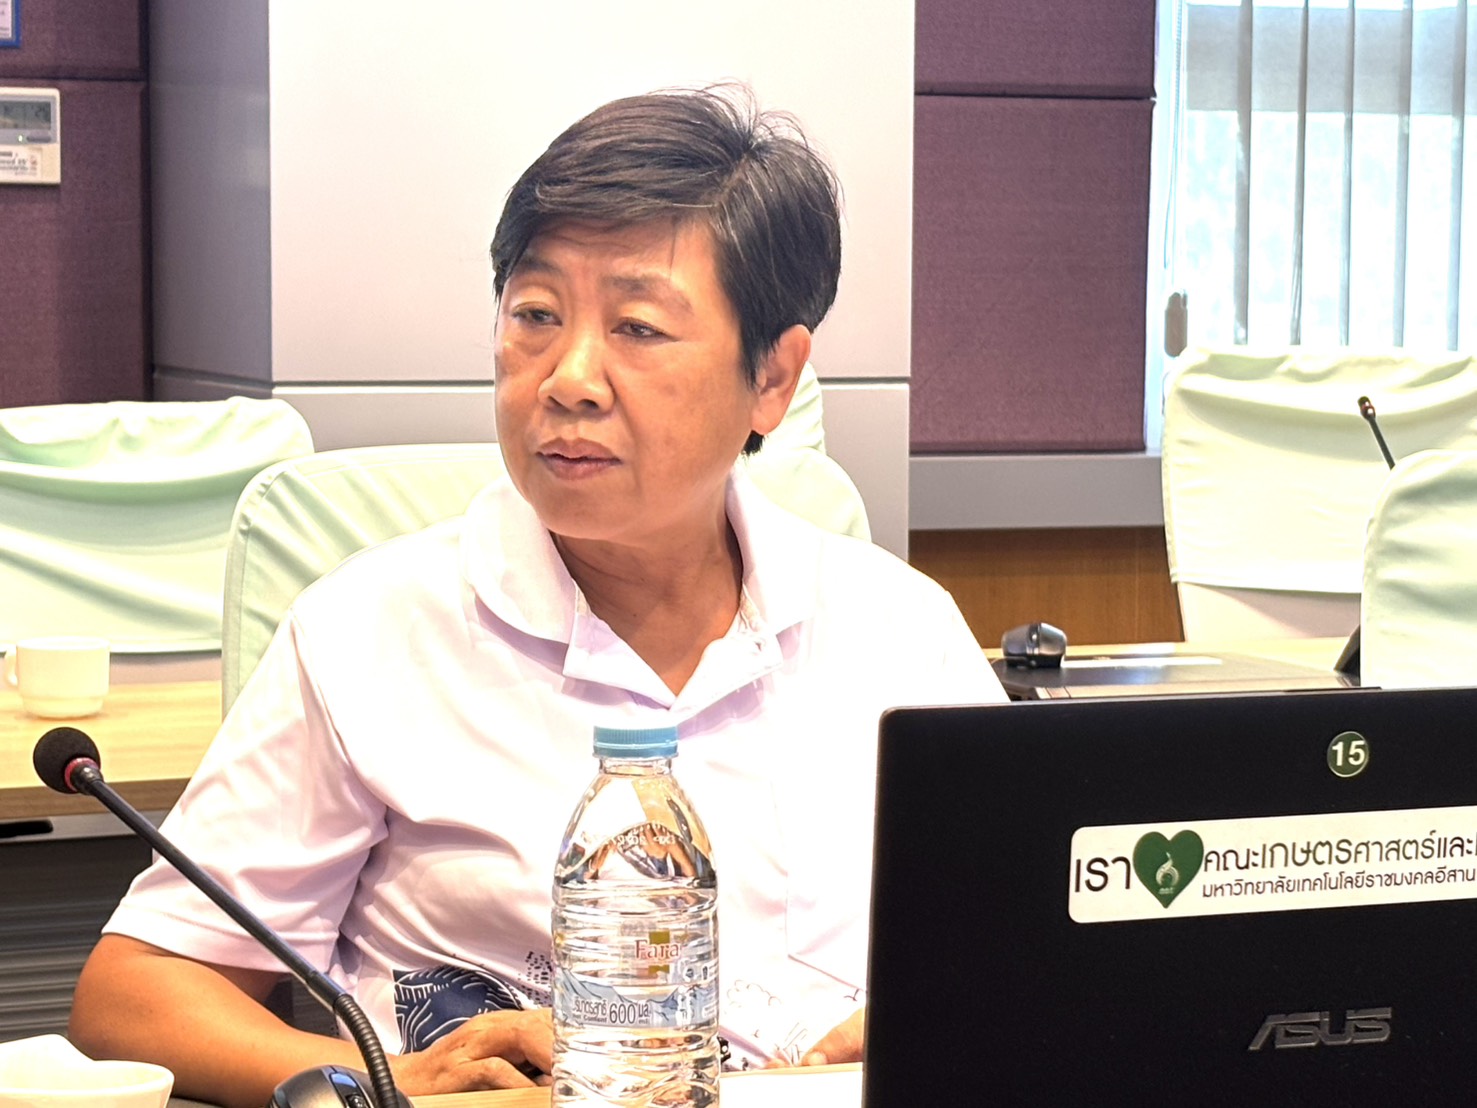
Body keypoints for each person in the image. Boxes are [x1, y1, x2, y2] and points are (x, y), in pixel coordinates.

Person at [68, 85, 1006, 1107]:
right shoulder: (371, 632)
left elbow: (1030, 948)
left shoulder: (900, 633)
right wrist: (384, 1080)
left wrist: (934, 1020)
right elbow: (139, 992)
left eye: (638, 328)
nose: (569, 379)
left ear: (772, 380)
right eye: (535, 316)